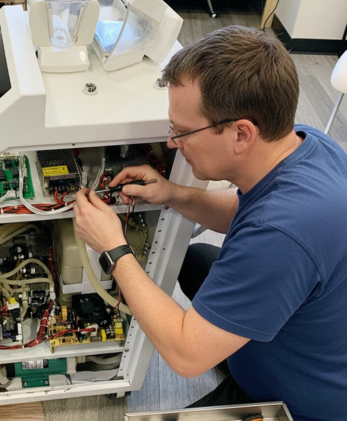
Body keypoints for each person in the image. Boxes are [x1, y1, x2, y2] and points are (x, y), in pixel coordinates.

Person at [73, 25, 347, 421]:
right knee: (196, 258)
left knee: (189, 341)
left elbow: (185, 357)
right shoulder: (308, 144)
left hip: (301, 399)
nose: (172, 143)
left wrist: (113, 249)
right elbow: (247, 210)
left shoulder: (280, 236)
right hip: (307, 334)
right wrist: (175, 194)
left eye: (184, 132)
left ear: (242, 134)